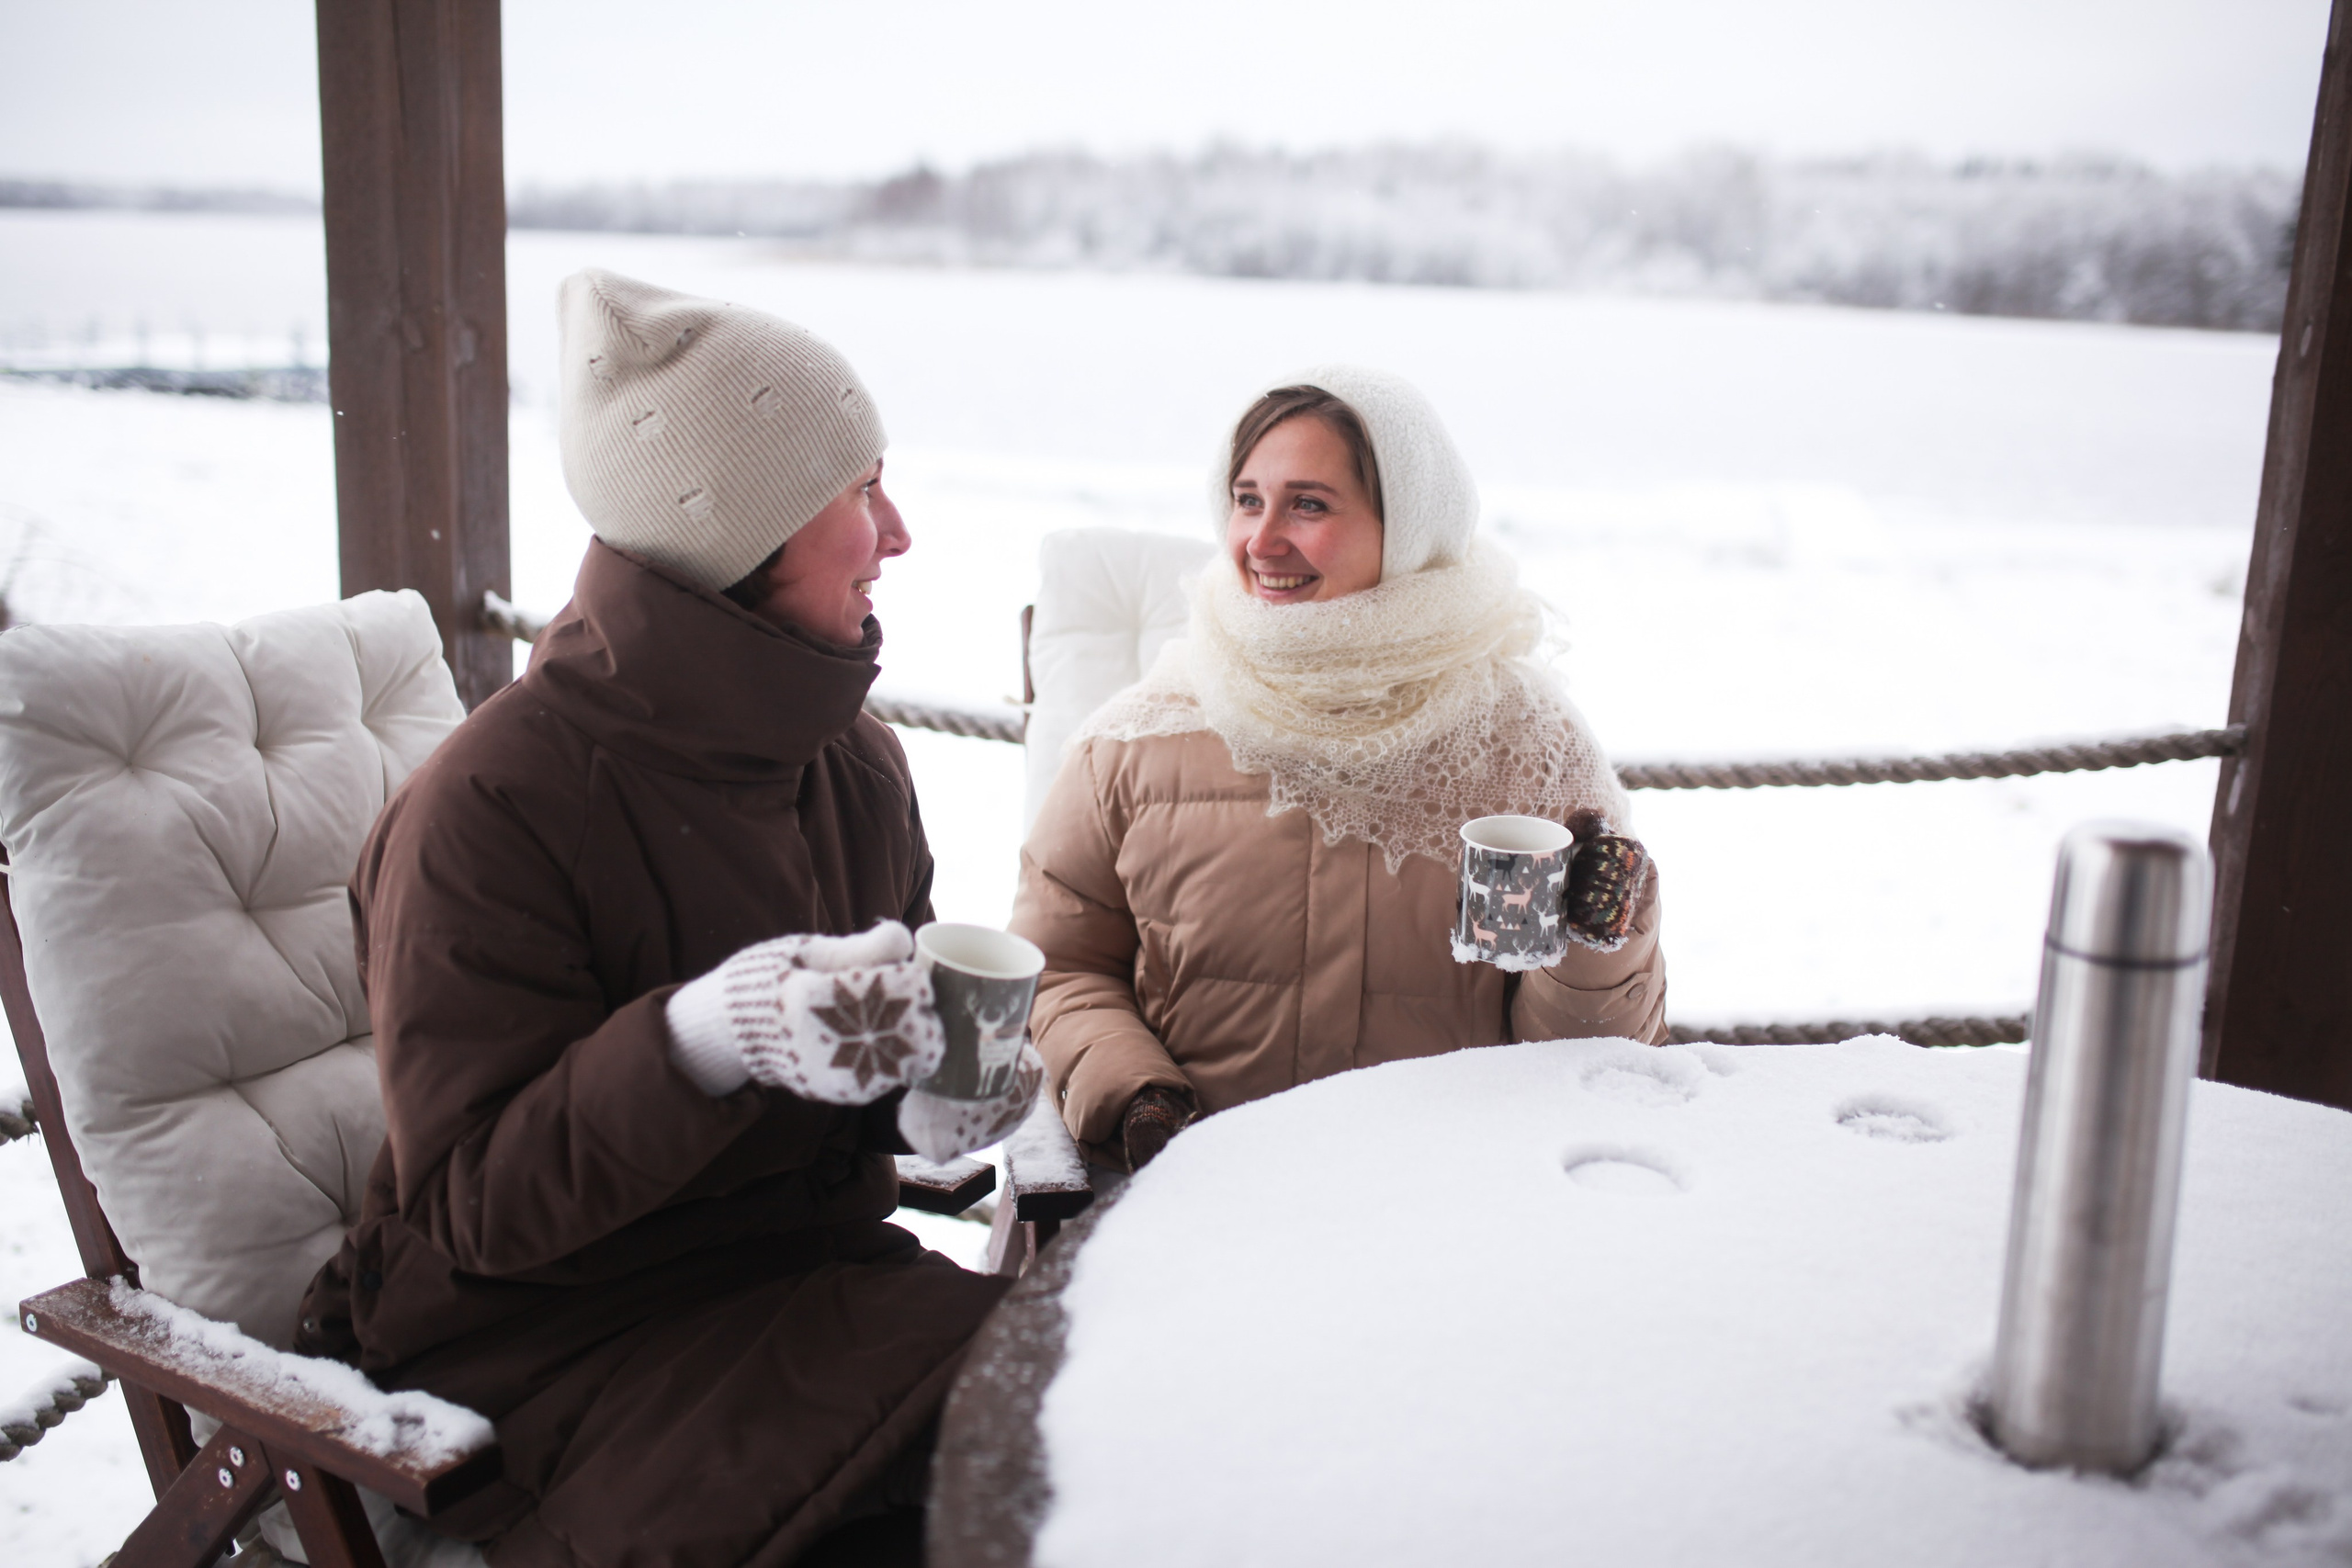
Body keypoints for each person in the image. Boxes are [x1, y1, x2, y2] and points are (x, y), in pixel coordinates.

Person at [294, 269, 1035, 1568]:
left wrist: (933, 1103)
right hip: (548, 1345)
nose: (900, 529)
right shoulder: (489, 807)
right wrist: (707, 1034)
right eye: (860, 488)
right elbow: (475, 1206)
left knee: (1108, 1410)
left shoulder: (853, 759)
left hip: (804, 1282)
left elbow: (880, 1053)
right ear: (737, 531)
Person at [1011, 368, 1666, 1173]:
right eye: (1247, 500)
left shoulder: (1527, 745)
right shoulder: (1143, 736)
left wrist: (1596, 944)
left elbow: (1587, 1061)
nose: (1262, 539)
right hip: (1192, 1205)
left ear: (1409, 525)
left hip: (1455, 1207)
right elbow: (1061, 966)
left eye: (1309, 504)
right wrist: (1139, 1096)